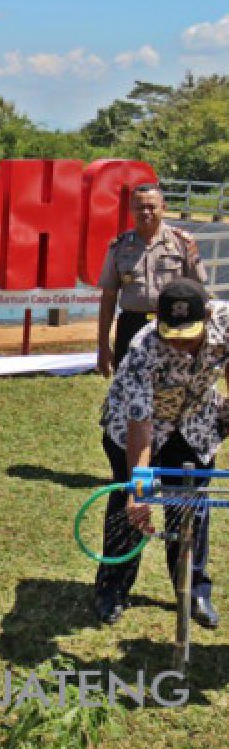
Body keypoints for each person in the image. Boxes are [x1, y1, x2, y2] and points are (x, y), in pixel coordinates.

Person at [93, 278, 227, 628]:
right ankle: (113, 588)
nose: (180, 344)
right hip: (134, 428)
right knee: (130, 508)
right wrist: (140, 488)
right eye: (173, 334)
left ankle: (193, 589)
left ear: (207, 317)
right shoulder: (144, 347)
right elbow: (141, 424)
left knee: (191, 507)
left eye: (189, 335)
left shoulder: (226, 322)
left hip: (195, 422)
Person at [96, 183, 207, 378]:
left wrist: (199, 340)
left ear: (163, 208)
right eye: (140, 207)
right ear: (131, 210)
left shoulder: (183, 243)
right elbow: (108, 298)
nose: (146, 212)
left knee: (173, 385)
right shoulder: (119, 247)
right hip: (132, 326)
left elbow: (198, 292)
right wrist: (103, 346)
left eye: (152, 206)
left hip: (174, 326)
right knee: (129, 386)